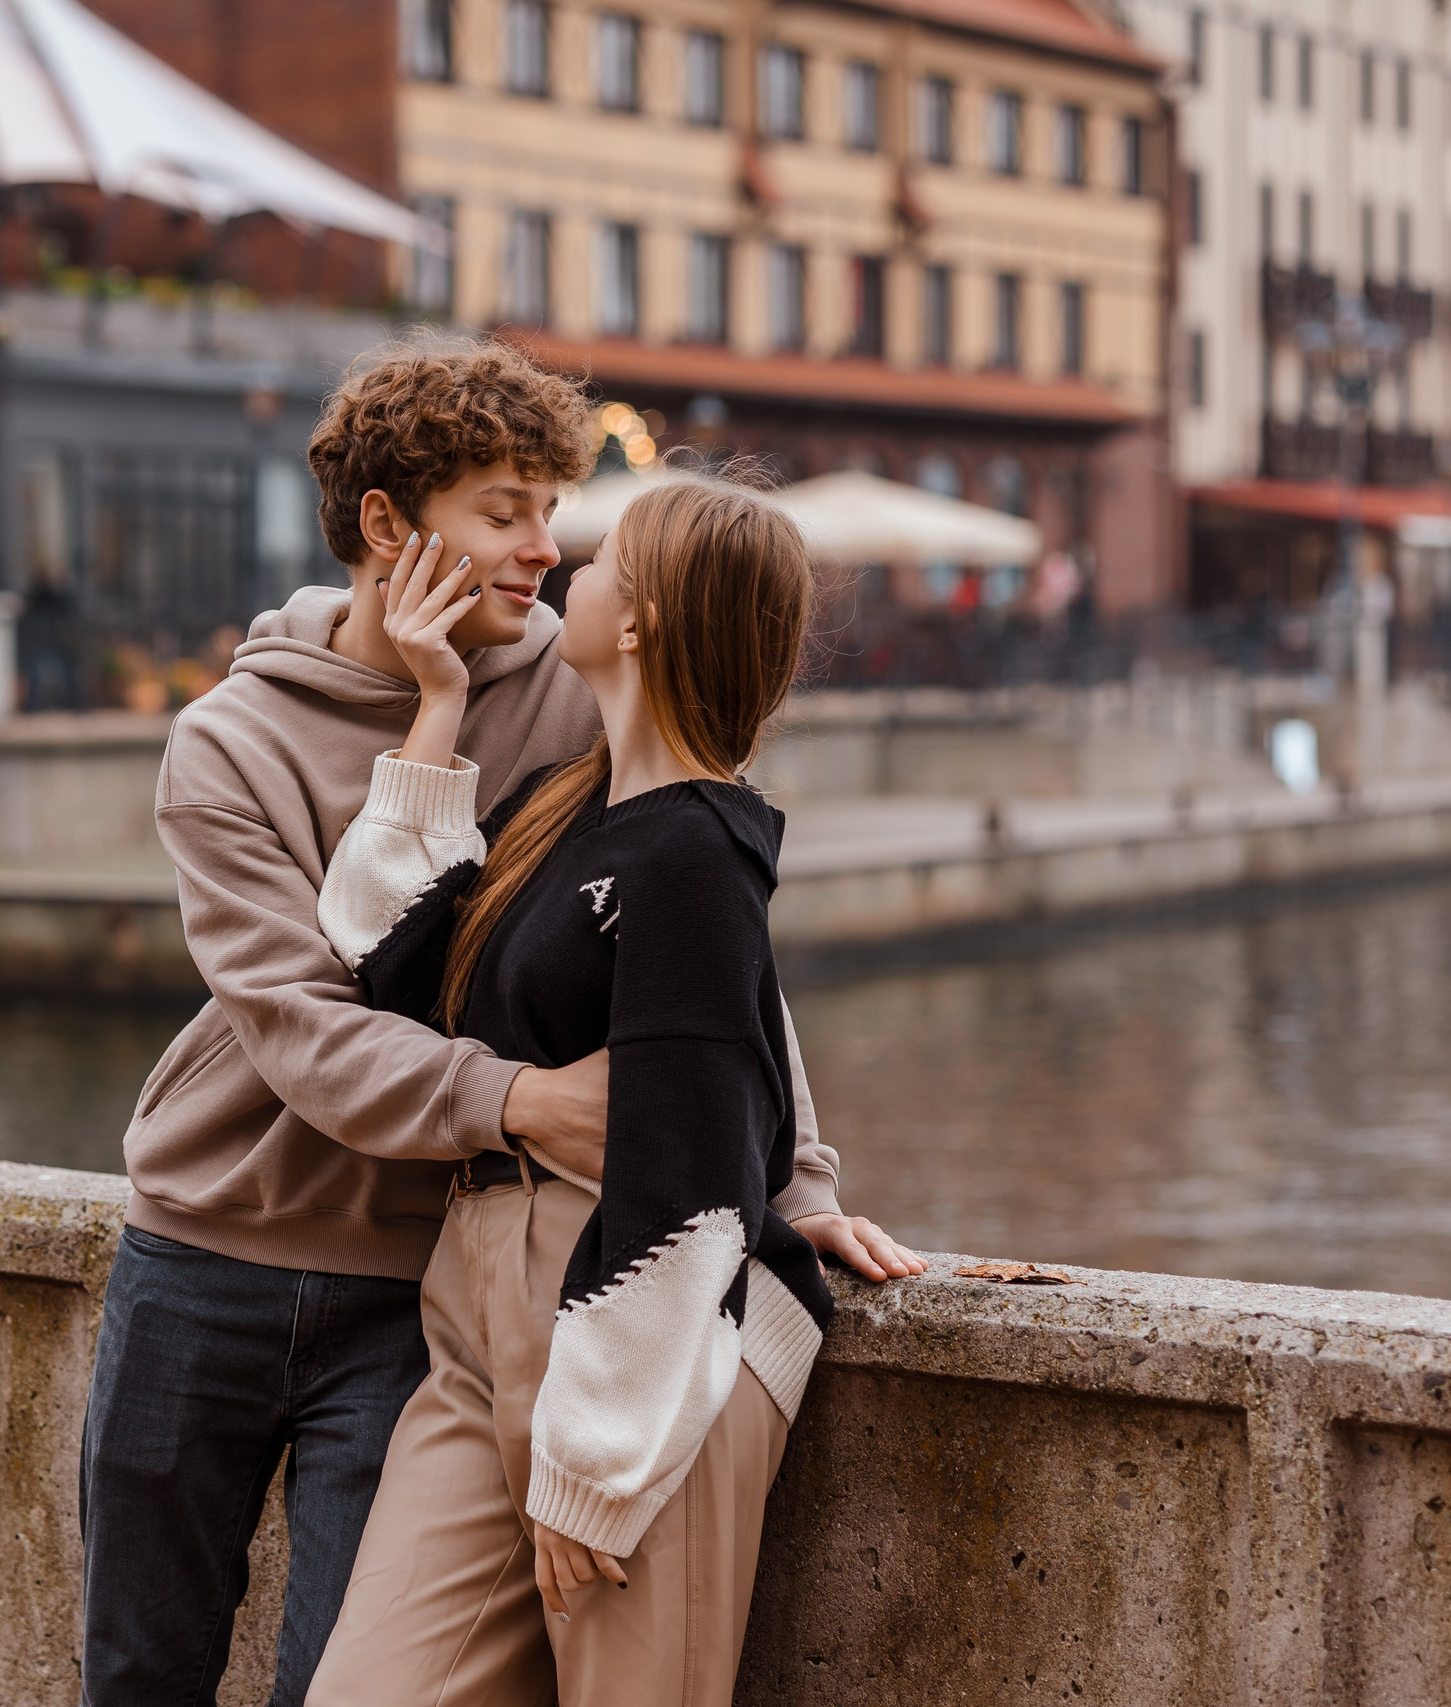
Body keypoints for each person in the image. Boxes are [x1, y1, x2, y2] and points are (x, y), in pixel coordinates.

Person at [78, 340, 916, 1707]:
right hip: (208, 1247)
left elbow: (710, 957)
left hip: (410, 1275)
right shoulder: (228, 742)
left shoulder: (578, 687)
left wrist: (795, 1179)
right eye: (504, 510)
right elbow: (316, 1017)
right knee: (137, 1671)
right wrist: (521, 1098)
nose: (546, 545)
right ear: (387, 526)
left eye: (554, 509)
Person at [305, 476, 925, 1707]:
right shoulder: (563, 809)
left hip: (641, 1358)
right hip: (482, 1304)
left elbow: (687, 1169)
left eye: (601, 561)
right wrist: (437, 702)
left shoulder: (699, 851)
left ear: (639, 620)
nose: (564, 569)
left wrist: (596, 1461)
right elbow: (381, 954)